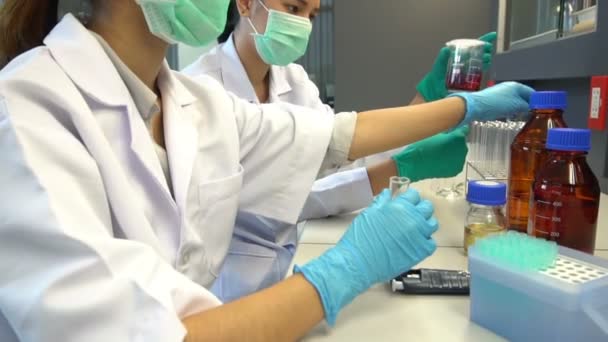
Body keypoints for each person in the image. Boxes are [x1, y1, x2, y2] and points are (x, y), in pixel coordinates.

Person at [0, 0, 533, 340]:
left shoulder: (195, 101)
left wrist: (464, 107)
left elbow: (337, 136)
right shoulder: (27, 111)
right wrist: (341, 271)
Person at [183, 0, 496, 302]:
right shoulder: (198, 89)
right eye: (293, 8)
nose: (302, 24)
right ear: (246, 3)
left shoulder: (295, 80)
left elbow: (340, 158)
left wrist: (425, 103)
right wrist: (401, 166)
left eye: (312, 15)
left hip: (289, 267)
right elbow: (285, 191)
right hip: (226, 289)